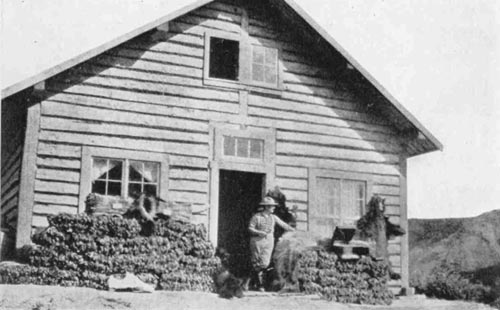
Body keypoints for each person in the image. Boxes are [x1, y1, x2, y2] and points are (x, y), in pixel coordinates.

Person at [248, 196, 295, 292]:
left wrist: (293, 230)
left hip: (269, 242)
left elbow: (284, 225)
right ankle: (257, 284)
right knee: (256, 262)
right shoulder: (257, 217)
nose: (274, 208)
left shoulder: (273, 217)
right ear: (266, 207)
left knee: (265, 263)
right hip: (257, 241)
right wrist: (258, 232)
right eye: (271, 206)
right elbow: (250, 228)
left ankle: (259, 284)